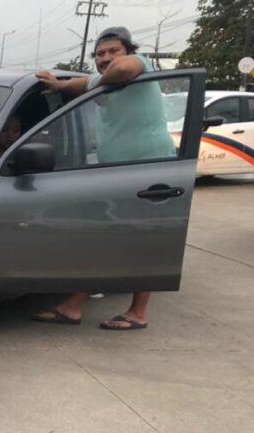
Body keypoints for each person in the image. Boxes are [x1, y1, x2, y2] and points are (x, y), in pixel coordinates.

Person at [31, 26, 174, 331]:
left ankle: (138, 313)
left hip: (149, 173)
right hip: (115, 173)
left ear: (129, 51)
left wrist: (89, 81)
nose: (106, 58)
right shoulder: (104, 85)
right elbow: (85, 85)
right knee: (104, 240)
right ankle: (72, 307)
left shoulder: (138, 65)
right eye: (99, 54)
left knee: (144, 243)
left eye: (113, 51)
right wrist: (59, 85)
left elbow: (122, 70)